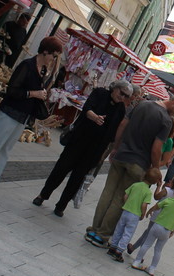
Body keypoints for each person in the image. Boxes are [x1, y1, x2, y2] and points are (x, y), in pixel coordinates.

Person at [84, 92, 174, 247]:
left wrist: (116, 147)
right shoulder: (165, 120)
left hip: (122, 155)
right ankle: (102, 235)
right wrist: (155, 169)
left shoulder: (142, 104)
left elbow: (123, 125)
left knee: (108, 192)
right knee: (120, 197)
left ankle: (94, 229)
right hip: (139, 163)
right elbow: (156, 148)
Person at [0, 36, 60, 203]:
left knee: (4, 152)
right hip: (9, 112)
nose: (54, 59)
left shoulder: (44, 71)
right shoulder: (27, 65)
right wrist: (33, 94)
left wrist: (41, 93)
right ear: (45, 52)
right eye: (54, 55)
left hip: (23, 117)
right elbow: (12, 90)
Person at [33, 79, 132, 216]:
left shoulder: (120, 109)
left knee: (77, 178)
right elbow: (87, 108)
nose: (122, 97)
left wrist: (102, 154)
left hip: (94, 149)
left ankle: (61, 205)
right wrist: (94, 117)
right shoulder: (100, 93)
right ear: (115, 88)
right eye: (121, 93)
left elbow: (112, 133)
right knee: (61, 168)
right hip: (79, 140)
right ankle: (43, 195)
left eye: (126, 96)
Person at [130, 181, 174, 276]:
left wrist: (150, 211)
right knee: (158, 250)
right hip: (167, 231)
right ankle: (152, 269)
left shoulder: (169, 201)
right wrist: (173, 232)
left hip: (157, 226)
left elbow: (157, 206)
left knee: (147, 244)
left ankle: (137, 261)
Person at [130, 169, 174, 254]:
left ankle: (137, 251)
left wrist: (158, 186)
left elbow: (156, 197)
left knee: (147, 234)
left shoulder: (167, 190)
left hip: (156, 217)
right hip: (167, 222)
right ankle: (135, 248)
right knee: (149, 236)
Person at [107, 167, 159, 262]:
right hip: (134, 215)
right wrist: (143, 213)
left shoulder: (135, 185)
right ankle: (119, 251)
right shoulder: (148, 192)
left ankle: (112, 247)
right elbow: (144, 205)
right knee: (128, 233)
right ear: (154, 182)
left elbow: (125, 195)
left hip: (125, 211)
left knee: (119, 229)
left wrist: (127, 203)